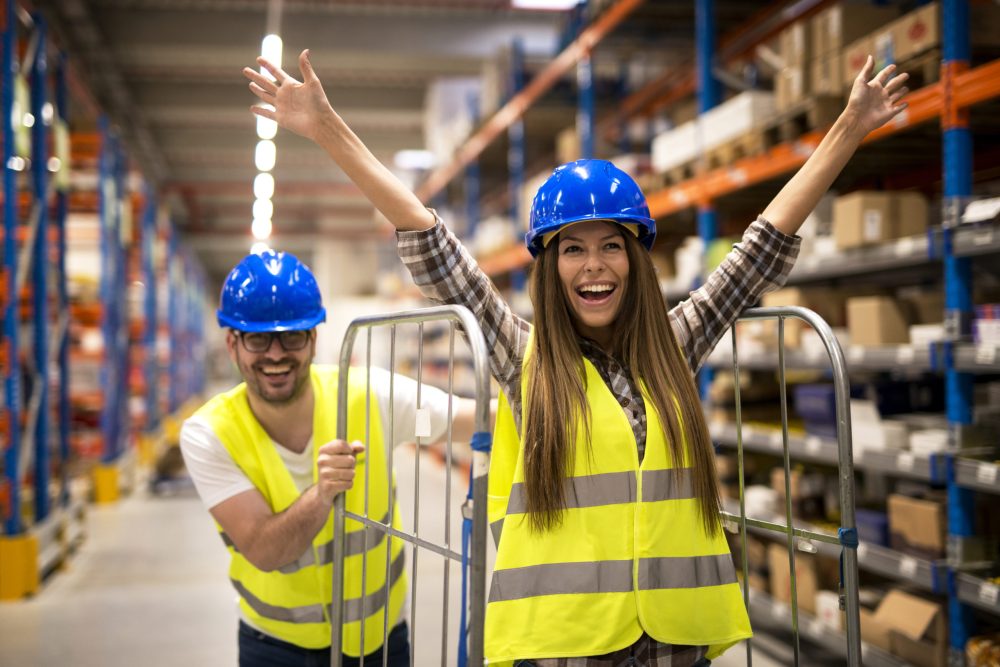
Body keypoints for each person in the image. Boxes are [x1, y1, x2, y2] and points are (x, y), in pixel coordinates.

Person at [243, 49, 909, 666]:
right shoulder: (523, 357)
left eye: (611, 246)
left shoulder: (674, 346)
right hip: (568, 643)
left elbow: (761, 247)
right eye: (572, 249)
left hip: (675, 637)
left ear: (637, 259)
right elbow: (431, 242)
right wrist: (328, 129)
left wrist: (848, 127)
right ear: (551, 266)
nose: (594, 266)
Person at [180, 249, 480, 667]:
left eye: (292, 336)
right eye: (257, 338)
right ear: (233, 344)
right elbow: (265, 551)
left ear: (314, 339)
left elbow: (474, 418)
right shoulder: (208, 433)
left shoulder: (367, 396)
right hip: (274, 647)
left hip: (378, 641)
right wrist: (321, 495)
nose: (276, 354)